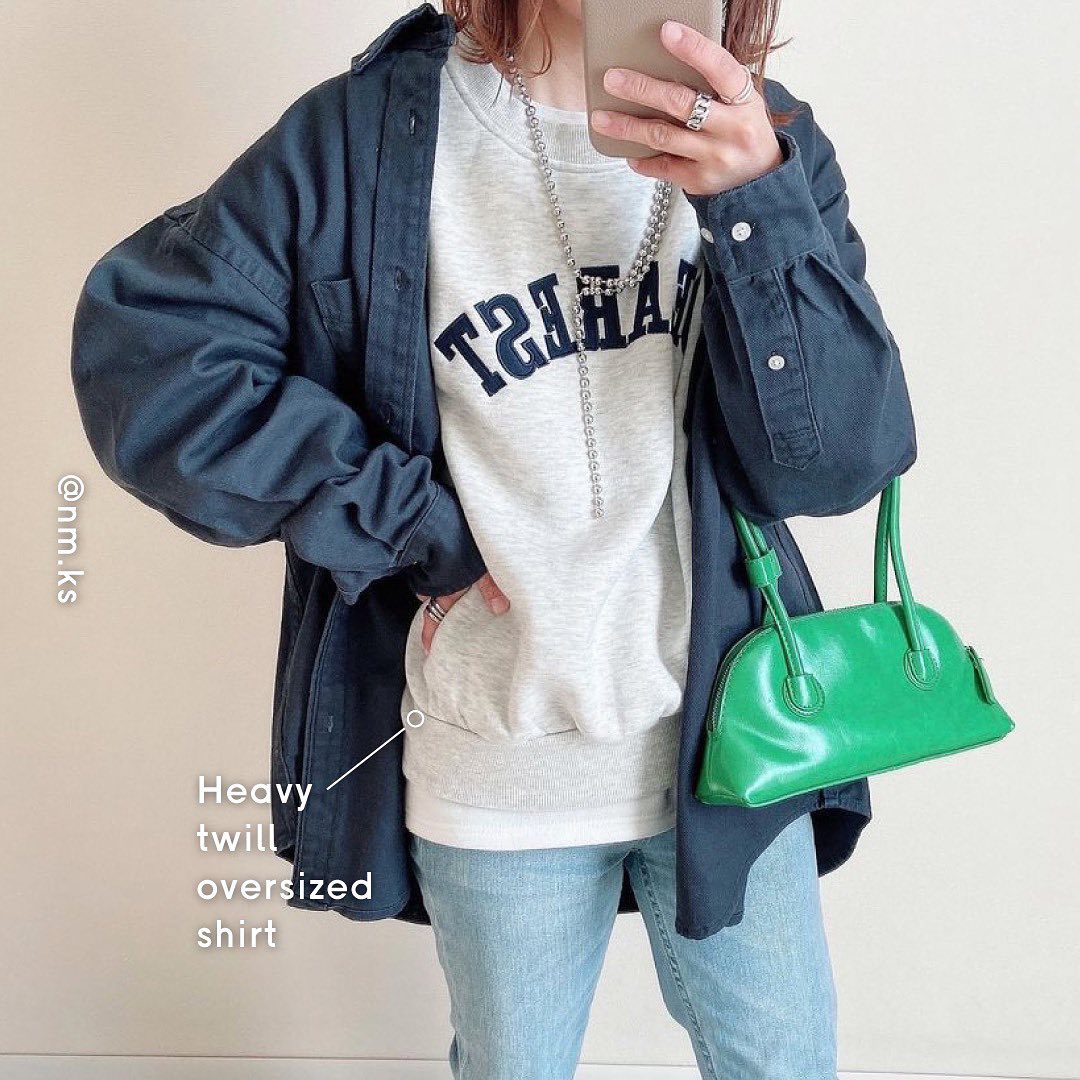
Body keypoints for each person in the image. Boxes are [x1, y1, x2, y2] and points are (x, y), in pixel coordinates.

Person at [71, 1, 917, 1076]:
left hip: (736, 739)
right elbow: (148, 352)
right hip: (496, 757)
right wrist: (410, 525)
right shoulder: (360, 138)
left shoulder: (767, 138)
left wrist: (758, 206)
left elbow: (840, 464)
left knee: (787, 1062)